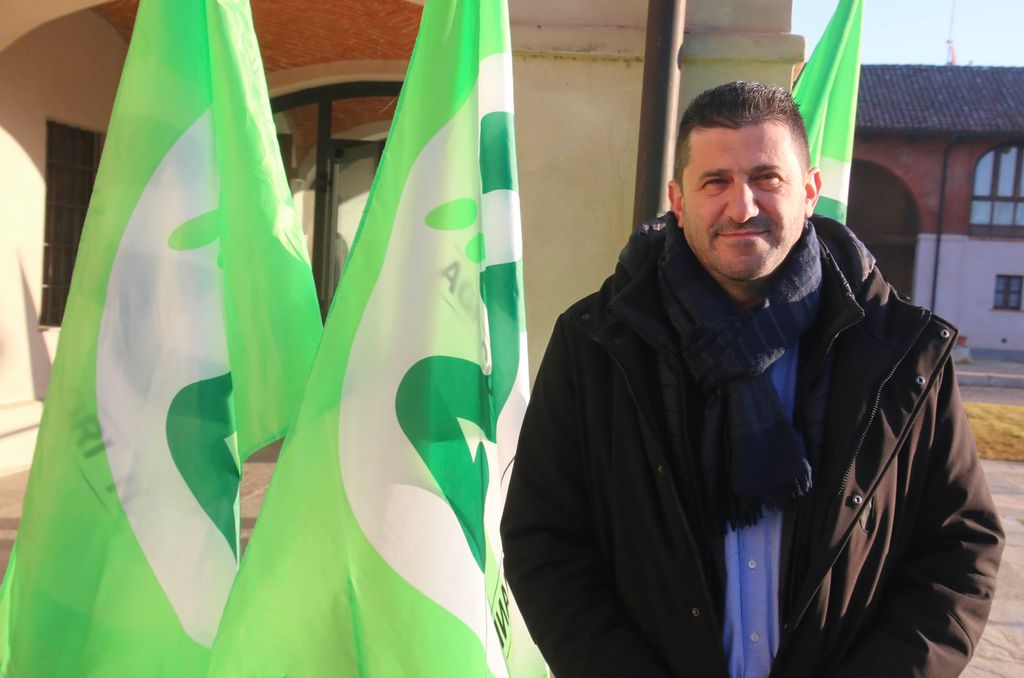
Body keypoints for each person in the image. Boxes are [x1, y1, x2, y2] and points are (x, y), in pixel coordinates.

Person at [500, 81, 1004, 678]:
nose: (742, 207)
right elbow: (547, 539)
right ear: (678, 200)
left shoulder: (902, 351)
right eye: (715, 182)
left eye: (767, 178)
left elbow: (959, 547)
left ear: (810, 191)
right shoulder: (597, 343)